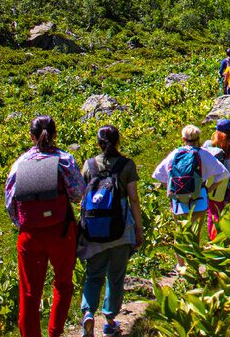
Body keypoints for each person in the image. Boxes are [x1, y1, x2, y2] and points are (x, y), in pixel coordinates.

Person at [5, 116, 84, 337]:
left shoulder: (20, 163)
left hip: (30, 236)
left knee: (29, 292)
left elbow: (10, 202)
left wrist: (24, 223)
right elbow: (78, 193)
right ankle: (54, 333)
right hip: (61, 231)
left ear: (31, 136)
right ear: (55, 134)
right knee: (63, 283)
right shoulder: (65, 160)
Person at [79, 125, 143, 337]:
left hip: (94, 230)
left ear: (98, 143)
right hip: (121, 229)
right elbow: (133, 198)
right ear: (118, 141)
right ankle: (109, 320)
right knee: (116, 276)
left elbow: (82, 199)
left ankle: (88, 312)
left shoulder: (88, 166)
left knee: (93, 275)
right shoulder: (127, 165)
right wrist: (139, 228)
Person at [151, 125, 230, 225]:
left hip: (178, 199)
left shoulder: (176, 153)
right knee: (196, 232)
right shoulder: (203, 153)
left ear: (183, 139)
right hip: (199, 196)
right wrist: (208, 189)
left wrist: (171, 188)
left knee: (181, 233)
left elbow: (158, 174)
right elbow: (224, 173)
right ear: (198, 138)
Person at [201, 119, 230, 240]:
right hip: (227, 185)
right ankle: (223, 237)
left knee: (212, 212)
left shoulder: (208, 145)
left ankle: (214, 237)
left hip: (210, 184)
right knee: (223, 212)